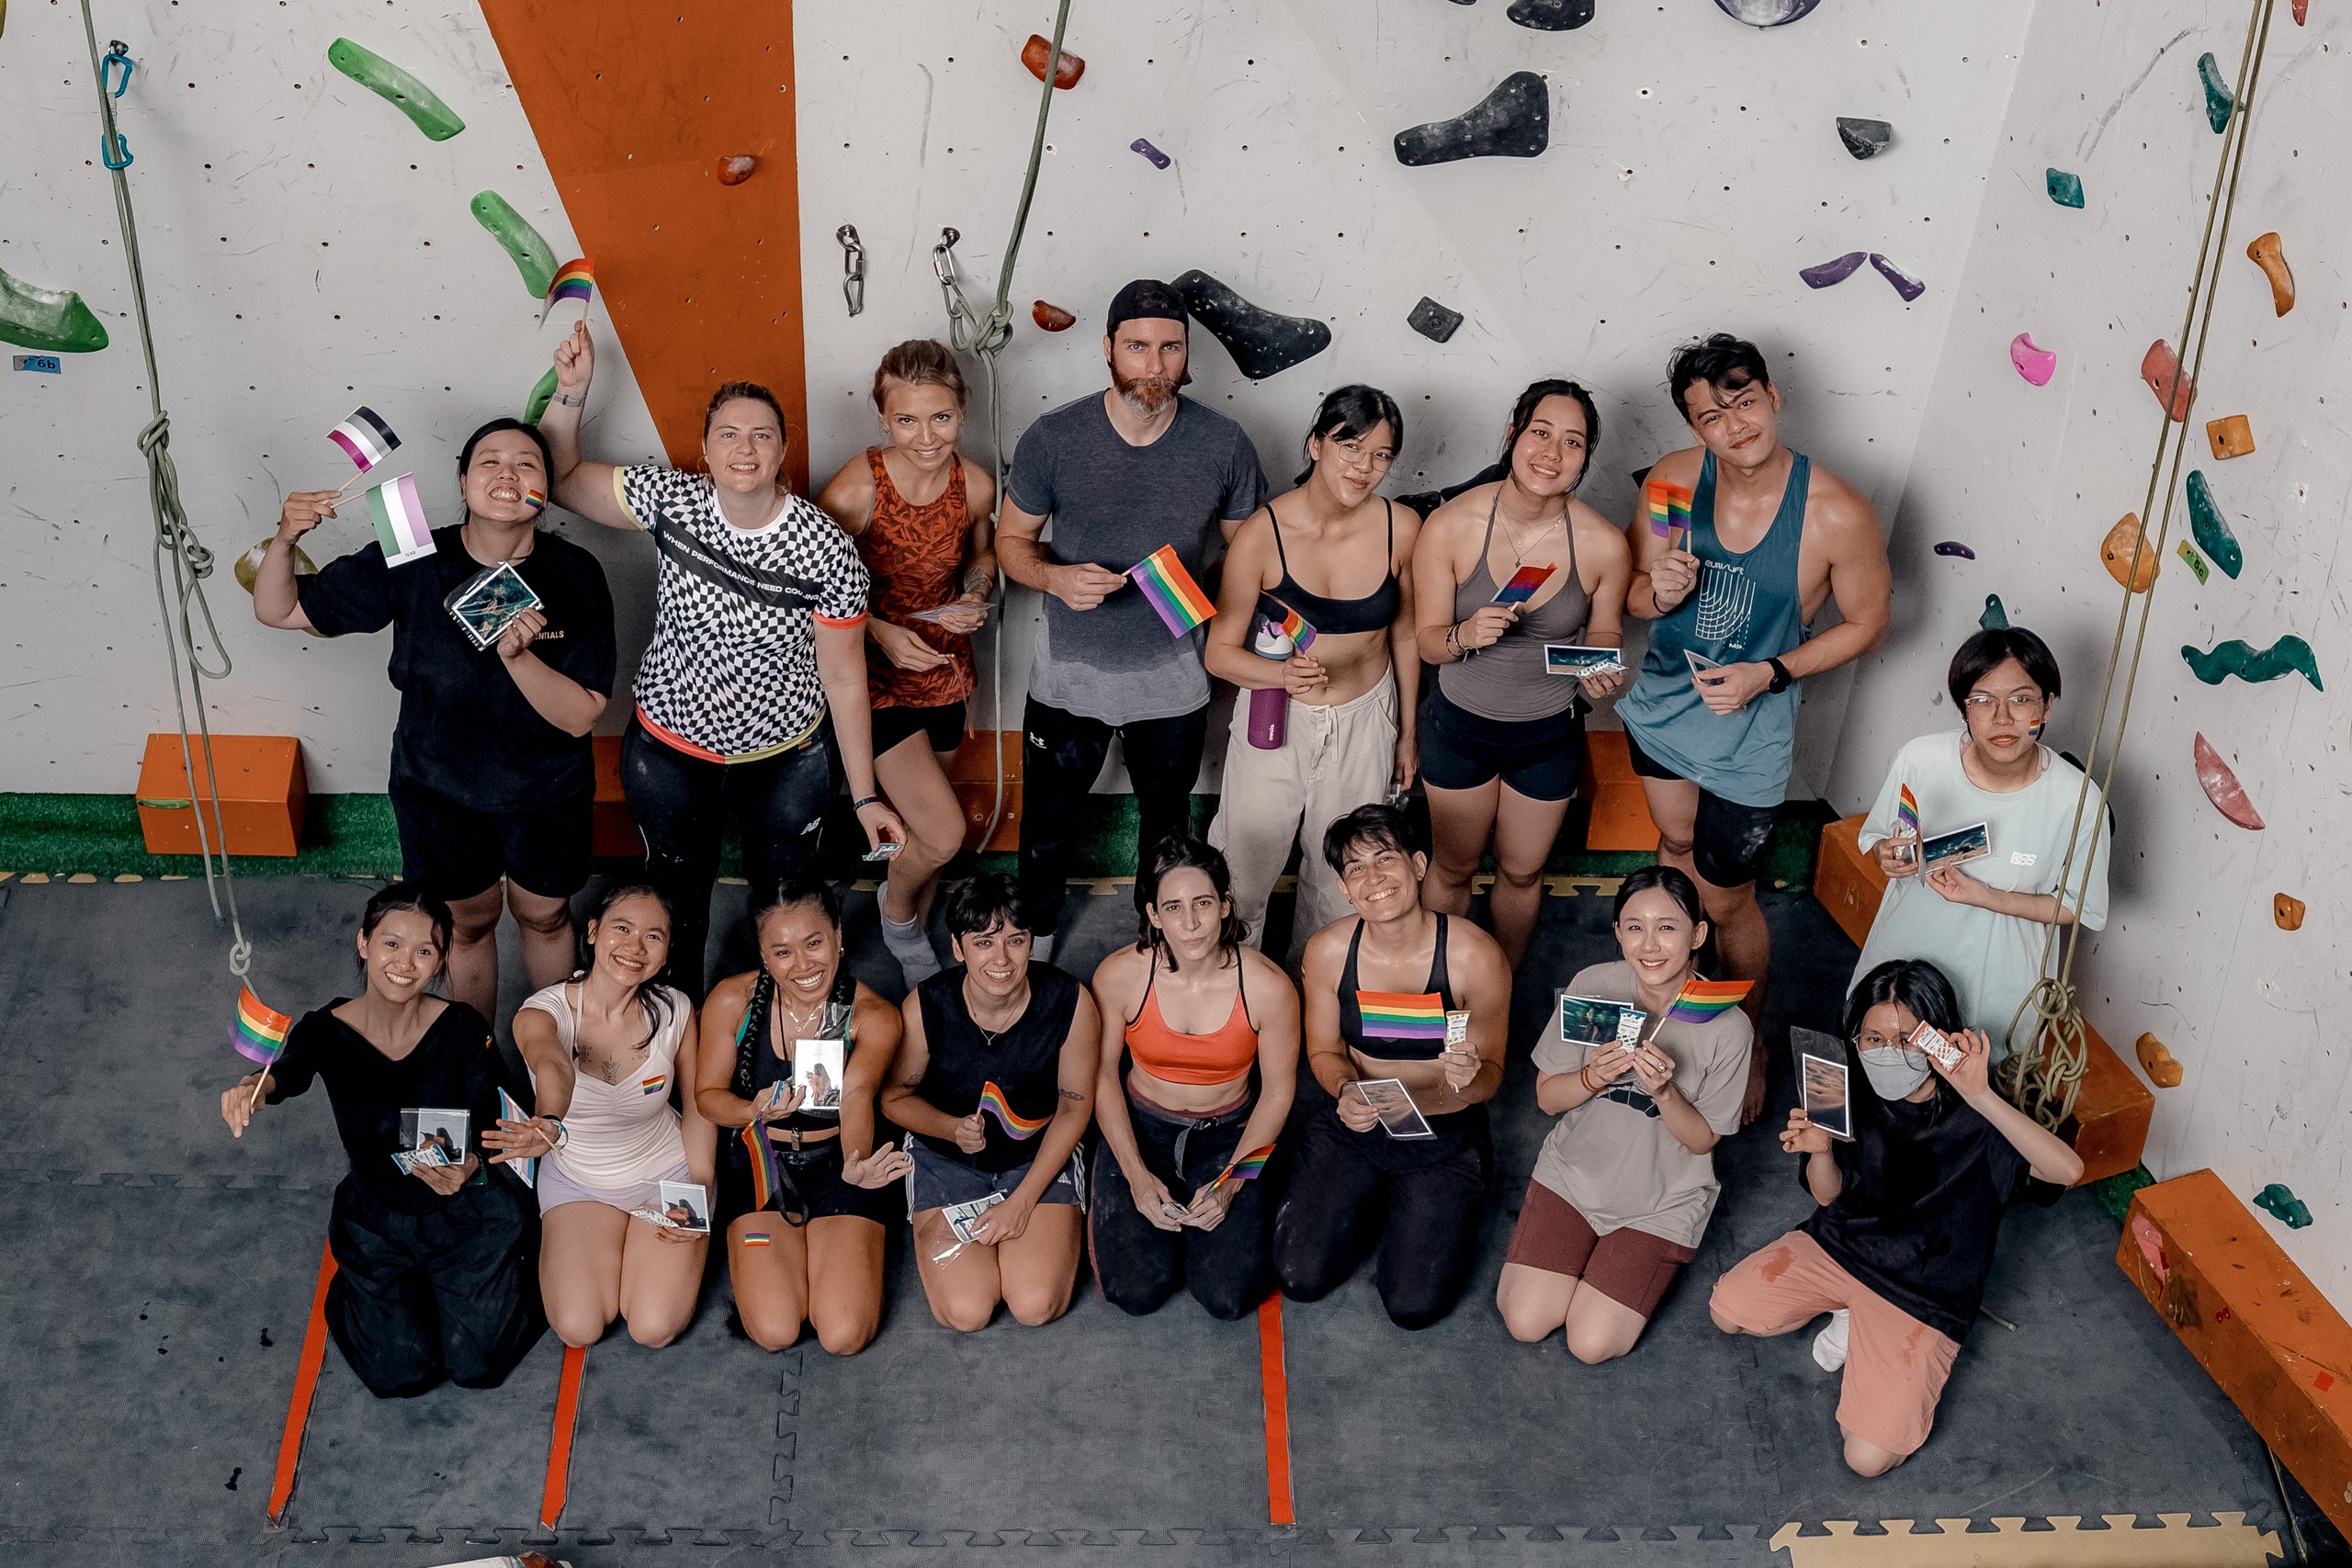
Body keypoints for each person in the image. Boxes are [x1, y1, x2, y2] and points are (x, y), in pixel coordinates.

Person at [541, 322, 908, 995]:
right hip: (670, 750)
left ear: (784, 451)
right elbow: (560, 480)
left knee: (790, 905)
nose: (746, 447)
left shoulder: (825, 550)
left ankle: (781, 1043)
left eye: (762, 435)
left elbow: (844, 676)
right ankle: (675, 1050)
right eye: (729, 434)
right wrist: (571, 393)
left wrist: (863, 796)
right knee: (673, 903)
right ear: (705, 449)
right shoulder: (671, 500)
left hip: (787, 758)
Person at [253, 421, 616, 1024]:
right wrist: (286, 538)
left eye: (527, 465)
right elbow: (279, 608)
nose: (507, 474)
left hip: (547, 793)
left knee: (546, 915)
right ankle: (471, 1052)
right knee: (466, 926)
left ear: (546, 490)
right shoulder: (414, 557)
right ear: (463, 483)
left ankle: (558, 1044)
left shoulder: (576, 574)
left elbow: (581, 717)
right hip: (437, 793)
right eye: (489, 462)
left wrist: (518, 656)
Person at [1618, 333, 1892, 1117]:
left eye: (1742, 402)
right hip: (1665, 710)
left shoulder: (1836, 511)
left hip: (1749, 731)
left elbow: (1868, 623)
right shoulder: (1672, 481)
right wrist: (1656, 591)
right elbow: (1637, 597)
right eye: (1710, 415)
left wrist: (1771, 673)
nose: (1732, 425)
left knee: (1727, 898)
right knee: (1674, 850)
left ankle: (1748, 1041)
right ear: (1693, 427)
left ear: (1773, 395)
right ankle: (1675, 1009)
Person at [1710, 958, 2081, 1476]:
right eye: (1873, 1039)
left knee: (1867, 1459)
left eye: (1908, 1039)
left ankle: (1864, 1326)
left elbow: (2066, 1170)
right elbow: (1826, 1198)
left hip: (1925, 1291)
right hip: (1842, 1247)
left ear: (1939, 1039)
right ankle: (1848, 1311)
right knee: (1727, 1310)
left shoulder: (1983, 1115)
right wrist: (1821, 1151)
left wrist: (1980, 1094)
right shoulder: (1841, 1086)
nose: (1889, 1053)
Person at [995, 280, 1270, 959]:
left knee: (1167, 830)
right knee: (1046, 828)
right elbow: (1009, 544)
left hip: (1172, 682)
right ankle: (1035, 949)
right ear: (1109, 350)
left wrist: (1209, 602)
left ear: (1186, 353)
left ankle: (1162, 946)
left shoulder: (1224, 442)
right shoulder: (1053, 437)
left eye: (1170, 348)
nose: (1154, 364)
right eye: (1138, 347)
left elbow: (1251, 553)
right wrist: (1055, 576)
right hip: (1067, 680)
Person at [220, 885, 540, 1398]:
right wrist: (251, 1092)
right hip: (378, 1217)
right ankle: (374, 1291)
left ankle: (498, 1275)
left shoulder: (461, 1027)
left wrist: (472, 1164)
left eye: (425, 951)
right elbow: (286, 1074)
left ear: (440, 961)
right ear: (364, 942)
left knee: (477, 1365)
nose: (405, 963)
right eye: (392, 943)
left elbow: (493, 1117)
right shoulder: (324, 1029)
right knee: (398, 1374)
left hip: (466, 1211)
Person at [1412, 379, 1631, 969]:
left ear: (1586, 457)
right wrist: (1463, 636)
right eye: (1540, 433)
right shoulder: (1451, 527)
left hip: (1546, 736)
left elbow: (1606, 634)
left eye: (1573, 442)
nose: (1552, 454)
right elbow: (1427, 644)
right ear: (1513, 436)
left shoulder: (1603, 544)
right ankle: (1445, 987)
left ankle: (1497, 989)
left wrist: (1602, 671)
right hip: (1459, 729)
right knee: (1453, 867)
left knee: (1523, 870)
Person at [1496, 867, 1751, 1360]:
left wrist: (1667, 1093)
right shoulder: (1594, 984)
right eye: (1634, 927)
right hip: (1572, 1176)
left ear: (1698, 934)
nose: (1649, 945)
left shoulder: (1728, 1025)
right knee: (1525, 1322)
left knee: (1591, 1344)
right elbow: (1547, 1099)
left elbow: (1702, 1141)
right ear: (1617, 933)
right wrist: (1592, 1077)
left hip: (1661, 1201)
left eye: (1668, 927)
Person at [1273, 804, 1512, 1328]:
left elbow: (1492, 1072)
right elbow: (1323, 1051)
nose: (1373, 878)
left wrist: (1472, 1080)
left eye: (1385, 859)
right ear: (1343, 888)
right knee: (1298, 1276)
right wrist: (1344, 1090)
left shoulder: (1474, 956)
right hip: (1359, 1121)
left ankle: (1418, 1207)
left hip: (1444, 1135)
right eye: (1355, 869)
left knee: (1413, 1307)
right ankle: (1367, 1196)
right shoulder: (1330, 951)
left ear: (1420, 865)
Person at [1204, 386, 1422, 957]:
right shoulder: (1263, 534)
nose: (1364, 466)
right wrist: (1278, 678)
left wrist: (1406, 731)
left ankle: (1318, 1005)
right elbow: (1219, 652)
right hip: (1276, 715)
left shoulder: (1402, 527)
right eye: (1349, 445)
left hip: (1366, 715)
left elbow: (1402, 632)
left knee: (1345, 883)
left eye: (1381, 455)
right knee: (1243, 873)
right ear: (1315, 445)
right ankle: (1240, 1001)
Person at [818, 340, 1000, 987]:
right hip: (872, 680)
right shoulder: (854, 487)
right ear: (883, 419)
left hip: (946, 671)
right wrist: (882, 631)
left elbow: (983, 554)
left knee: (928, 833)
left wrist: (975, 595)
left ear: (963, 411)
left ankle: (918, 953)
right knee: (944, 832)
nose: (927, 436)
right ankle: (895, 917)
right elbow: (806, 585)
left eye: (941, 418)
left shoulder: (974, 482)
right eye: (908, 420)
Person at [1852, 627, 2109, 1055]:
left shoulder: (2078, 799)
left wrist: (1987, 895)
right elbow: (1879, 835)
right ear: (1964, 709)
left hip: (1997, 988)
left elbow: (2075, 906)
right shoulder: (1922, 759)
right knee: (1879, 1068)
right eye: (1983, 701)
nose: (2003, 718)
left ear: (2046, 706)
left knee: (1966, 1103)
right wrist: (1886, 854)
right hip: (1901, 963)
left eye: (2022, 699)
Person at [1088, 837, 1301, 1320]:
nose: (1189, 924)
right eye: (1173, 907)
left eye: (1203, 903)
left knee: (1228, 1296)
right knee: (1135, 1291)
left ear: (1225, 906)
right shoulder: (1120, 976)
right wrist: (1138, 1177)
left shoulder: (1269, 987)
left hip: (1229, 1135)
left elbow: (1279, 1091)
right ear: (1154, 915)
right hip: (1143, 1128)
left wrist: (1231, 1183)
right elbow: (1101, 1076)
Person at [695, 879, 910, 1355]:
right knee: (775, 1331)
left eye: (814, 943)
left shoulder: (871, 1014)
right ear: (764, 955)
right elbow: (708, 1095)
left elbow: (856, 1093)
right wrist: (750, 1109)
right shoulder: (733, 1001)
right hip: (759, 1162)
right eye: (783, 951)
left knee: (844, 1334)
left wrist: (856, 1160)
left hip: (838, 1163)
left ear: (838, 936)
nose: (804, 965)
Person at [491, 885, 711, 1349]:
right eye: (622, 928)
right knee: (578, 1327)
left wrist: (702, 1188)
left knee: (653, 1327)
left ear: (667, 950)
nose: (634, 947)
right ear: (592, 933)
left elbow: (697, 1108)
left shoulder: (677, 1009)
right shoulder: (543, 1012)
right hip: (578, 1180)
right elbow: (553, 1067)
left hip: (664, 1171)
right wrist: (548, 1120)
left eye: (654, 936)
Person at [880, 873, 1100, 1331]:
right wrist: (947, 1128)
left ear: (1031, 942)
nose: (1001, 959)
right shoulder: (925, 1007)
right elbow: (894, 1098)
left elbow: (1074, 1106)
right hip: (948, 1161)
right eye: (983, 942)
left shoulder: (1071, 1002)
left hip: (1035, 1155)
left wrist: (1022, 1201)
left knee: (1036, 1303)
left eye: (1016, 941)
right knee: (967, 1311)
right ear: (959, 948)